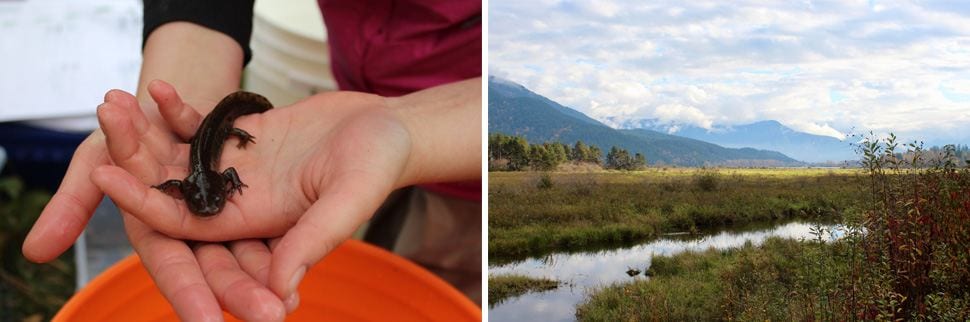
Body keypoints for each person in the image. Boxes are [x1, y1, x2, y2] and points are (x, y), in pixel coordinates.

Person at [22, 1, 481, 321]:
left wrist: (417, 127)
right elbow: (186, 181)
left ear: (217, 185)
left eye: (212, 202)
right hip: (361, 67)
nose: (207, 210)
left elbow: (224, 166)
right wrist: (191, 63)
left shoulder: (216, 176)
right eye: (208, 203)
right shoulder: (198, 182)